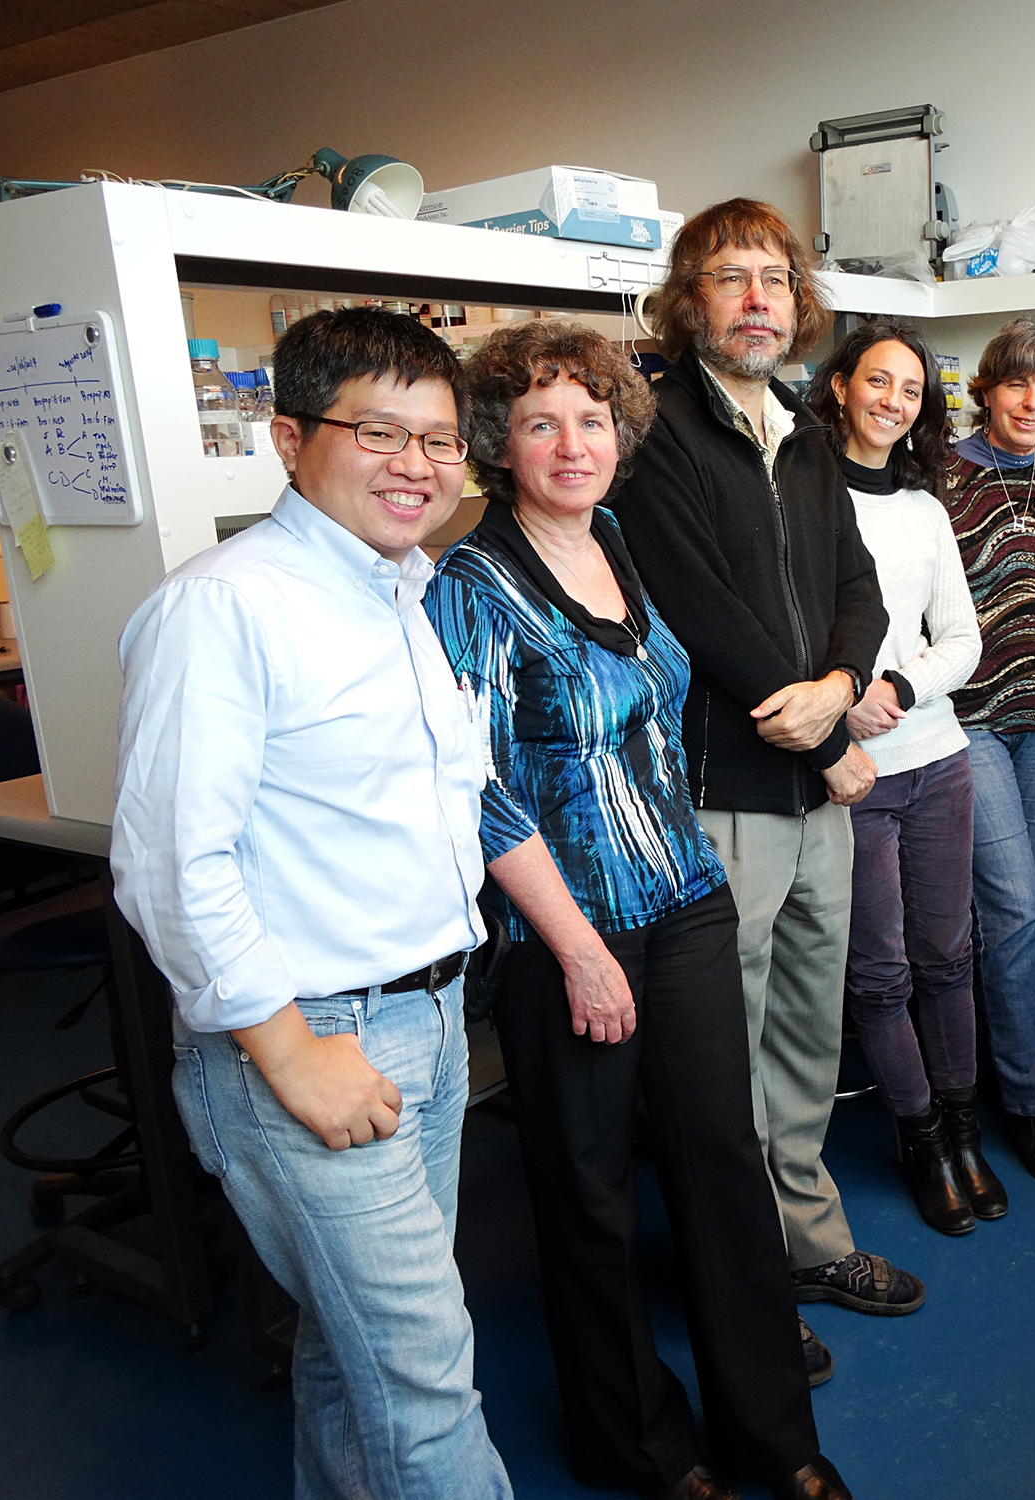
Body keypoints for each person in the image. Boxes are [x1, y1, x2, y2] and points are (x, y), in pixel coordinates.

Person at [424, 320, 847, 1500]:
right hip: (565, 928)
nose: (573, 445)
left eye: (592, 419)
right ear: (497, 444)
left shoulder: (615, 537)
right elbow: (478, 789)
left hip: (685, 894)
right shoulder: (468, 586)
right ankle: (637, 1445)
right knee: (590, 1187)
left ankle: (772, 1435)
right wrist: (577, 951)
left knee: (721, 1158)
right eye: (540, 423)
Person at [110, 308, 511, 1499]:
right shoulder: (225, 606)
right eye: (377, 432)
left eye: (439, 441)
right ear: (289, 439)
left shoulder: (400, 590)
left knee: (354, 1353)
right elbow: (170, 863)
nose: (416, 466)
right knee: (424, 1382)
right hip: (310, 1037)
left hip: (425, 1017)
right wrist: (289, 1051)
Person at [613, 200, 920, 1379]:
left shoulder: (801, 429)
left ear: (799, 303)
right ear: (689, 299)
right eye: (730, 277)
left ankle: (805, 1242)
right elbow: (700, 610)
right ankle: (738, 1281)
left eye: (774, 279)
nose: (756, 298)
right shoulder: (656, 430)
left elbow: (857, 586)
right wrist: (825, 742)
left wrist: (840, 687)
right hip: (723, 791)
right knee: (720, 1056)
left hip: (811, 796)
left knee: (802, 1030)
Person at [805, 319, 1002, 1237]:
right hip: (851, 771)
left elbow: (963, 638)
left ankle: (963, 1128)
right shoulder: (798, 494)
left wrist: (898, 686)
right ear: (842, 385)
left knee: (949, 957)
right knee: (879, 973)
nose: (893, 401)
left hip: (937, 761)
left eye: (912, 390)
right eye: (878, 381)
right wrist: (844, 704)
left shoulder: (924, 507)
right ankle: (920, 1137)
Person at [941, 316, 1035, 1192]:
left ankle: (995, 1068)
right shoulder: (938, 475)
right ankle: (1034, 1102)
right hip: (970, 719)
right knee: (1008, 904)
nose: (1032, 402)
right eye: (1016, 383)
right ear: (988, 390)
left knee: (1026, 904)